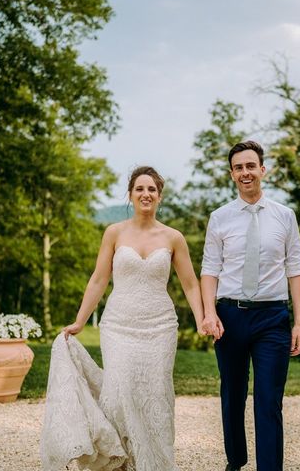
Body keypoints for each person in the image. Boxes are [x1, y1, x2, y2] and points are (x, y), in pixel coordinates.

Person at [40, 166, 211, 471]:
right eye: (140, 189)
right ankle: (118, 461)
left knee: (156, 394)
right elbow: (98, 279)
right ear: (131, 195)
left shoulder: (173, 237)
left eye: (152, 190)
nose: (146, 194)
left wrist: (201, 319)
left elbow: (190, 283)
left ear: (159, 196)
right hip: (118, 325)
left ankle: (156, 462)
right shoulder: (114, 232)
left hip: (160, 327)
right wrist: (80, 321)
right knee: (118, 391)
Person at [200, 141, 300, 471]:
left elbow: (296, 269)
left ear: (263, 170)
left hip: (272, 318)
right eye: (238, 167)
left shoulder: (284, 217)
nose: (245, 172)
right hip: (230, 316)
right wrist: (210, 313)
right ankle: (236, 461)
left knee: (268, 400)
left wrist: (298, 323)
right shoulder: (220, 218)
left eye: (250, 166)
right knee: (232, 395)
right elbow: (209, 270)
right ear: (231, 174)